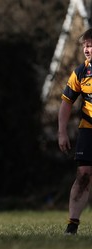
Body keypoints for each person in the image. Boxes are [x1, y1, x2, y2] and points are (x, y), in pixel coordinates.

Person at [58, 28, 92, 235]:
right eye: (84, 46)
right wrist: (62, 132)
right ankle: (72, 225)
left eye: (90, 45)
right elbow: (66, 103)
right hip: (88, 130)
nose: (86, 50)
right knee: (83, 175)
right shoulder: (80, 72)